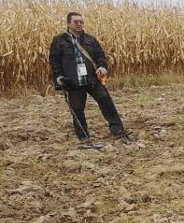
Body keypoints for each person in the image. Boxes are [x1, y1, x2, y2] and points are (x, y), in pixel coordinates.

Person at [48, 12, 128, 141]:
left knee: (106, 102)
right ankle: (83, 136)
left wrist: (102, 68)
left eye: (81, 21)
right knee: (77, 109)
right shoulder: (59, 40)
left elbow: (100, 56)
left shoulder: (90, 40)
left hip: (92, 79)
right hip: (73, 82)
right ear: (69, 23)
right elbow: (54, 61)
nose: (79, 24)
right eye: (76, 22)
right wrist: (59, 77)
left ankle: (118, 129)